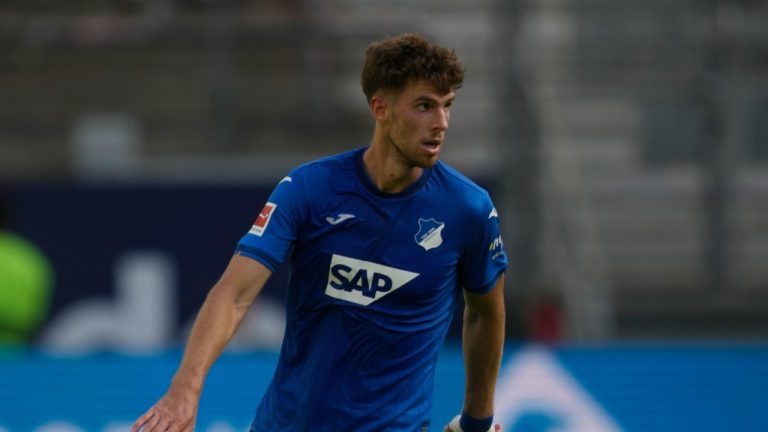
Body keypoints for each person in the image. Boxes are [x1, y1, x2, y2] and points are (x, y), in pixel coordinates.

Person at [132, 32, 507, 432]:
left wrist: (477, 421)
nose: (441, 123)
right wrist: (185, 390)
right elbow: (235, 294)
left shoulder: (469, 209)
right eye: (424, 106)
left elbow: (485, 312)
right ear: (380, 108)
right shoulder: (310, 189)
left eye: (447, 106)